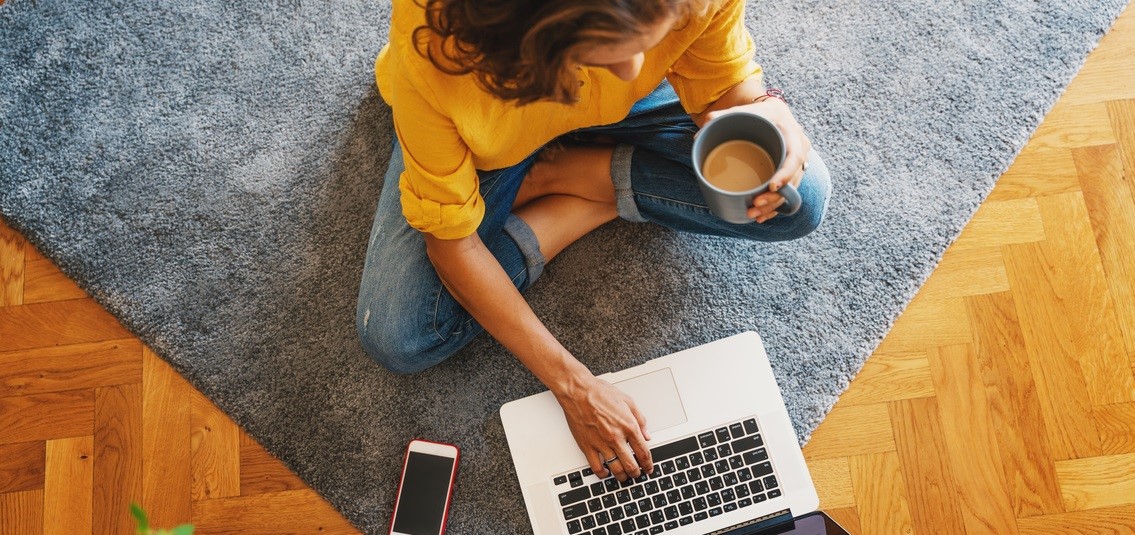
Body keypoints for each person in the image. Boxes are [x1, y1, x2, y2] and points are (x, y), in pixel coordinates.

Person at [358, 0, 831, 484]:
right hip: (485, 134)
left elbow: (729, 92)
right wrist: (574, 386)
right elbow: (451, 247)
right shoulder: (440, 51)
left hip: (620, 109)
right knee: (402, 337)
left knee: (798, 197)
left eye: (647, 37)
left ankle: (578, 177)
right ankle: (592, 185)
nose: (631, 67)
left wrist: (765, 110)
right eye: (606, 49)